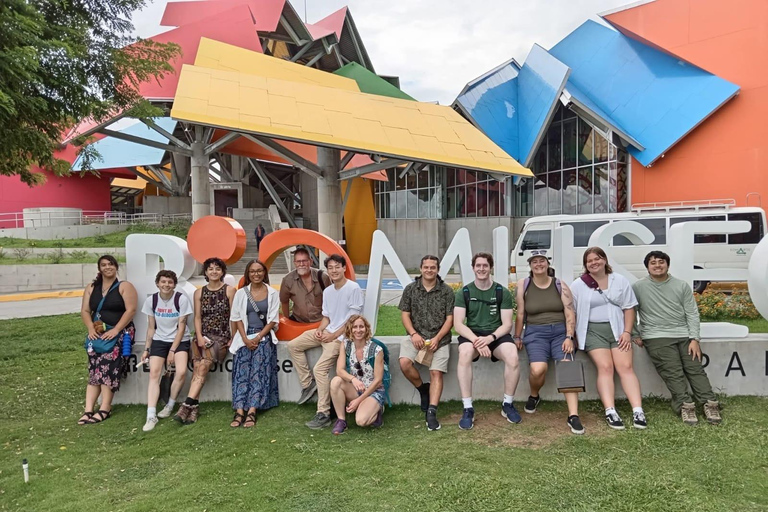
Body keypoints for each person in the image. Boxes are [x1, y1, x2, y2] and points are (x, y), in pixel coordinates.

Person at [632, 251, 722, 425]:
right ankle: (685, 406)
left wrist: (694, 339)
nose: (657, 265)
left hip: (684, 336)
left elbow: (692, 313)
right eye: (653, 263)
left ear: (667, 264)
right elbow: (630, 311)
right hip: (656, 337)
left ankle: (709, 403)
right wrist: (636, 333)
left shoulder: (681, 286)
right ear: (647, 267)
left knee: (695, 369)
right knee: (673, 372)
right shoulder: (638, 287)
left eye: (661, 262)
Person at [570, 247, 647, 430]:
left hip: (618, 329)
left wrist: (627, 332)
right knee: (605, 367)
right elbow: (571, 311)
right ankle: (610, 410)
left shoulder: (619, 280)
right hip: (592, 331)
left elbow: (629, 308)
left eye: (597, 259)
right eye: (589, 261)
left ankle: (637, 410)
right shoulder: (579, 284)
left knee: (626, 367)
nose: (594, 263)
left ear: (604, 260)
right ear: (585, 265)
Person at [288, 254, 363, 429]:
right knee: (293, 346)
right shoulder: (328, 291)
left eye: (337, 266)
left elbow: (353, 320)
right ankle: (308, 384)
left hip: (342, 338)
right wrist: (321, 330)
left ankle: (323, 412)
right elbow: (327, 317)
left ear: (344, 268)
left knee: (320, 369)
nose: (334, 270)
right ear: (327, 270)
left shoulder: (353, 288)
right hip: (327, 332)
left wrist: (334, 335)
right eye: (330, 268)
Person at [514, 250, 584, 435]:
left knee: (567, 367)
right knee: (538, 369)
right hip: (535, 333)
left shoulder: (560, 285)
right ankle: (534, 395)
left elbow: (569, 312)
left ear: (547, 263)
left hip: (560, 332)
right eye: (534, 261)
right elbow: (521, 313)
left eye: (542, 261)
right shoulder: (524, 285)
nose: (538, 264)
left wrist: (569, 337)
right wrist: (517, 336)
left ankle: (573, 415)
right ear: (530, 265)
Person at [454, 252, 520, 430]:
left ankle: (508, 404)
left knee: (513, 356)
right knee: (465, 353)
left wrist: (490, 339)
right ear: (473, 268)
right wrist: (477, 341)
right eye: (478, 265)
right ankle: (468, 408)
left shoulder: (501, 292)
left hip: (496, 334)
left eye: (485, 265)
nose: (481, 269)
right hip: (473, 335)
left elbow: (507, 325)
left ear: (491, 268)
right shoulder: (464, 292)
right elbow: (458, 325)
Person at [174, 257, 236, 425]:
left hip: (221, 337)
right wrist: (199, 337)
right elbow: (198, 318)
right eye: (210, 269)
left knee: (202, 367)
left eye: (217, 268)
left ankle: (186, 404)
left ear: (222, 271)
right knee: (196, 367)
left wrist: (232, 337)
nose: (214, 271)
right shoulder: (199, 292)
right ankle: (193, 409)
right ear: (206, 272)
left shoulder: (230, 291)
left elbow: (234, 317)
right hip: (202, 336)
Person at [78, 255, 137, 425]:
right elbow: (85, 310)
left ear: (116, 267)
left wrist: (117, 329)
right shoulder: (91, 287)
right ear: (99, 268)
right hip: (97, 332)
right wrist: (90, 328)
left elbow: (131, 310)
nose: (107, 267)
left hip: (119, 332)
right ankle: (88, 410)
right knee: (94, 370)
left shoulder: (124, 286)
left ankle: (105, 407)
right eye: (103, 265)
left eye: (110, 264)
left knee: (106, 368)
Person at [398, 254, 454, 431]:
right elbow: (405, 314)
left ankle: (431, 412)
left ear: (437, 270)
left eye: (433, 267)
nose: (429, 270)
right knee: (405, 363)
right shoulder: (411, 289)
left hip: (440, 339)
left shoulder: (447, 291)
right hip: (416, 337)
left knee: (436, 373)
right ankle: (423, 389)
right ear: (421, 268)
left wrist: (437, 338)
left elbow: (450, 319)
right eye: (426, 267)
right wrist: (413, 334)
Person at [229, 259, 280, 428]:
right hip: (244, 336)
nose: (256, 274)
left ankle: (252, 410)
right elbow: (236, 318)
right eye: (252, 271)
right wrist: (244, 338)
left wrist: (257, 338)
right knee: (241, 372)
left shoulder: (272, 293)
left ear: (264, 273)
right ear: (247, 274)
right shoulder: (241, 293)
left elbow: (273, 320)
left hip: (263, 336)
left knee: (258, 371)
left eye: (259, 271)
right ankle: (239, 410)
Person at [140, 270, 193, 432]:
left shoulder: (181, 300)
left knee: (182, 371)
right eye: (163, 282)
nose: (166, 285)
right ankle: (151, 415)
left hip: (180, 340)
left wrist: (172, 350)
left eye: (170, 282)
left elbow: (181, 327)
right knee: (154, 373)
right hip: (159, 340)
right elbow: (151, 328)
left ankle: (170, 404)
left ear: (174, 284)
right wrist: (146, 349)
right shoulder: (152, 300)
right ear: (157, 283)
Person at [330, 315, 387, 434]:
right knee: (336, 381)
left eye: (361, 327)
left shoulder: (376, 349)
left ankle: (377, 411)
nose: (358, 330)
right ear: (350, 329)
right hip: (356, 387)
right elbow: (339, 370)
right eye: (354, 327)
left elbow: (378, 380)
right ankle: (341, 420)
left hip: (373, 390)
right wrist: (353, 380)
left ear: (366, 329)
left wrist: (358, 401)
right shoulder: (346, 344)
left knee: (361, 421)